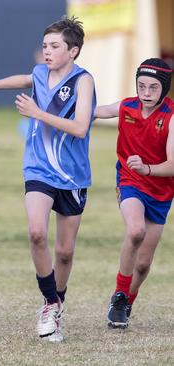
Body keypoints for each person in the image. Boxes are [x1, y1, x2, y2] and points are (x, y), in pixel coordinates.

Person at [0, 16, 95, 342]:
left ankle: (57, 304)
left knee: (64, 252)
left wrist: (38, 113)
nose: (47, 52)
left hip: (72, 175)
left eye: (55, 46)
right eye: (45, 45)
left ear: (73, 51)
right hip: (38, 169)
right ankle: (50, 302)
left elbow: (80, 128)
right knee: (37, 233)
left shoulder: (83, 81)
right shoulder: (39, 74)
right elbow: (23, 78)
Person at [95, 58, 174, 329]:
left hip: (161, 191)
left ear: (164, 89)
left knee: (143, 264)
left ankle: (128, 300)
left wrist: (148, 168)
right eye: (141, 86)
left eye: (153, 87)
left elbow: (173, 164)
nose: (146, 93)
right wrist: (62, 109)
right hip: (130, 181)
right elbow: (96, 111)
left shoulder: (172, 116)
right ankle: (119, 295)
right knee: (135, 230)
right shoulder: (127, 105)